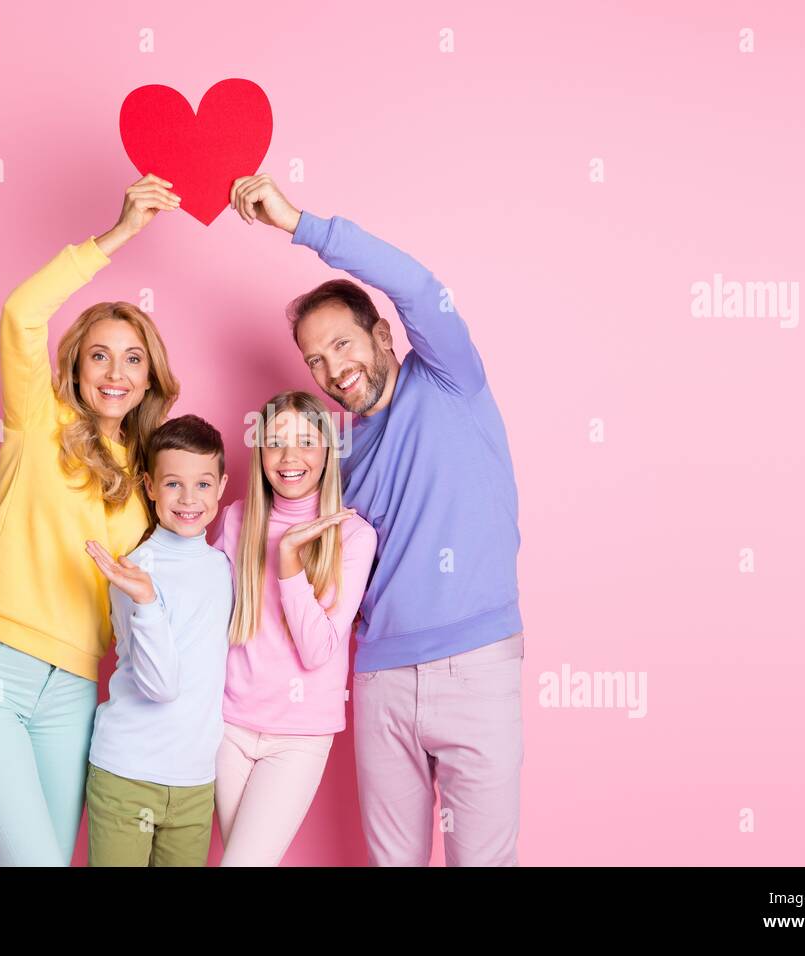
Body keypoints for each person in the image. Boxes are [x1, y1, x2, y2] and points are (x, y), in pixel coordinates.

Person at [228, 173, 527, 866]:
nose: (332, 368)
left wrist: (299, 224)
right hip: (380, 679)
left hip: (477, 665)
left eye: (342, 344)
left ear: (383, 336)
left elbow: (420, 286)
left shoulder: (450, 378)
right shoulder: (337, 457)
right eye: (315, 360)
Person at [0, 174, 182, 866]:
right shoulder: (38, 419)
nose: (115, 372)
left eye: (133, 359)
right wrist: (120, 235)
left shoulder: (144, 479)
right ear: (75, 363)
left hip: (72, 691)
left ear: (150, 378)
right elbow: (21, 312)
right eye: (99, 354)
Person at [210, 391, 376, 866]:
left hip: (298, 737)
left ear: (327, 451)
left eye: (306, 441)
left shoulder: (353, 536)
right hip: (227, 726)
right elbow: (213, 619)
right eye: (276, 442)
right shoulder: (236, 518)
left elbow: (319, 649)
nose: (290, 457)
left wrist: (289, 565)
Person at [83, 415, 233, 866]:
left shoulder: (223, 567)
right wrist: (147, 601)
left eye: (203, 484)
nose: (189, 499)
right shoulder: (133, 572)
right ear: (149, 486)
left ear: (222, 486)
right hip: (127, 775)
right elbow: (161, 686)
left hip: (194, 782)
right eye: (173, 484)